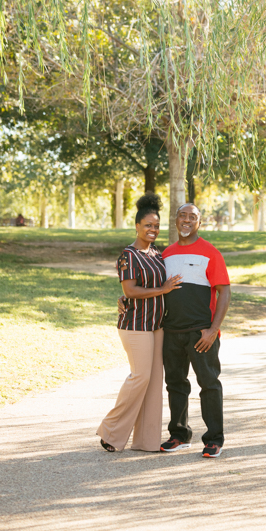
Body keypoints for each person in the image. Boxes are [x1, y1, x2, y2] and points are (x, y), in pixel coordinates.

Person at [96, 193, 182, 452]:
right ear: (137, 226)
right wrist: (162, 290)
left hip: (157, 326)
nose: (153, 229)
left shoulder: (156, 253)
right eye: (148, 225)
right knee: (140, 377)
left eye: (156, 226)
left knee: (154, 381)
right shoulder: (128, 255)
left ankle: (146, 441)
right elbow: (131, 290)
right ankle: (110, 432)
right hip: (135, 324)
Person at [159, 203, 231, 459]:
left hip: (202, 333)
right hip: (172, 332)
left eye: (193, 217)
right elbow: (155, 290)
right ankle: (179, 435)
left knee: (209, 384)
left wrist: (213, 330)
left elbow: (224, 292)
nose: (187, 220)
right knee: (175, 384)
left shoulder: (211, 253)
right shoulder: (165, 254)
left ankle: (214, 439)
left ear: (199, 223)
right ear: (176, 220)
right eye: (182, 215)